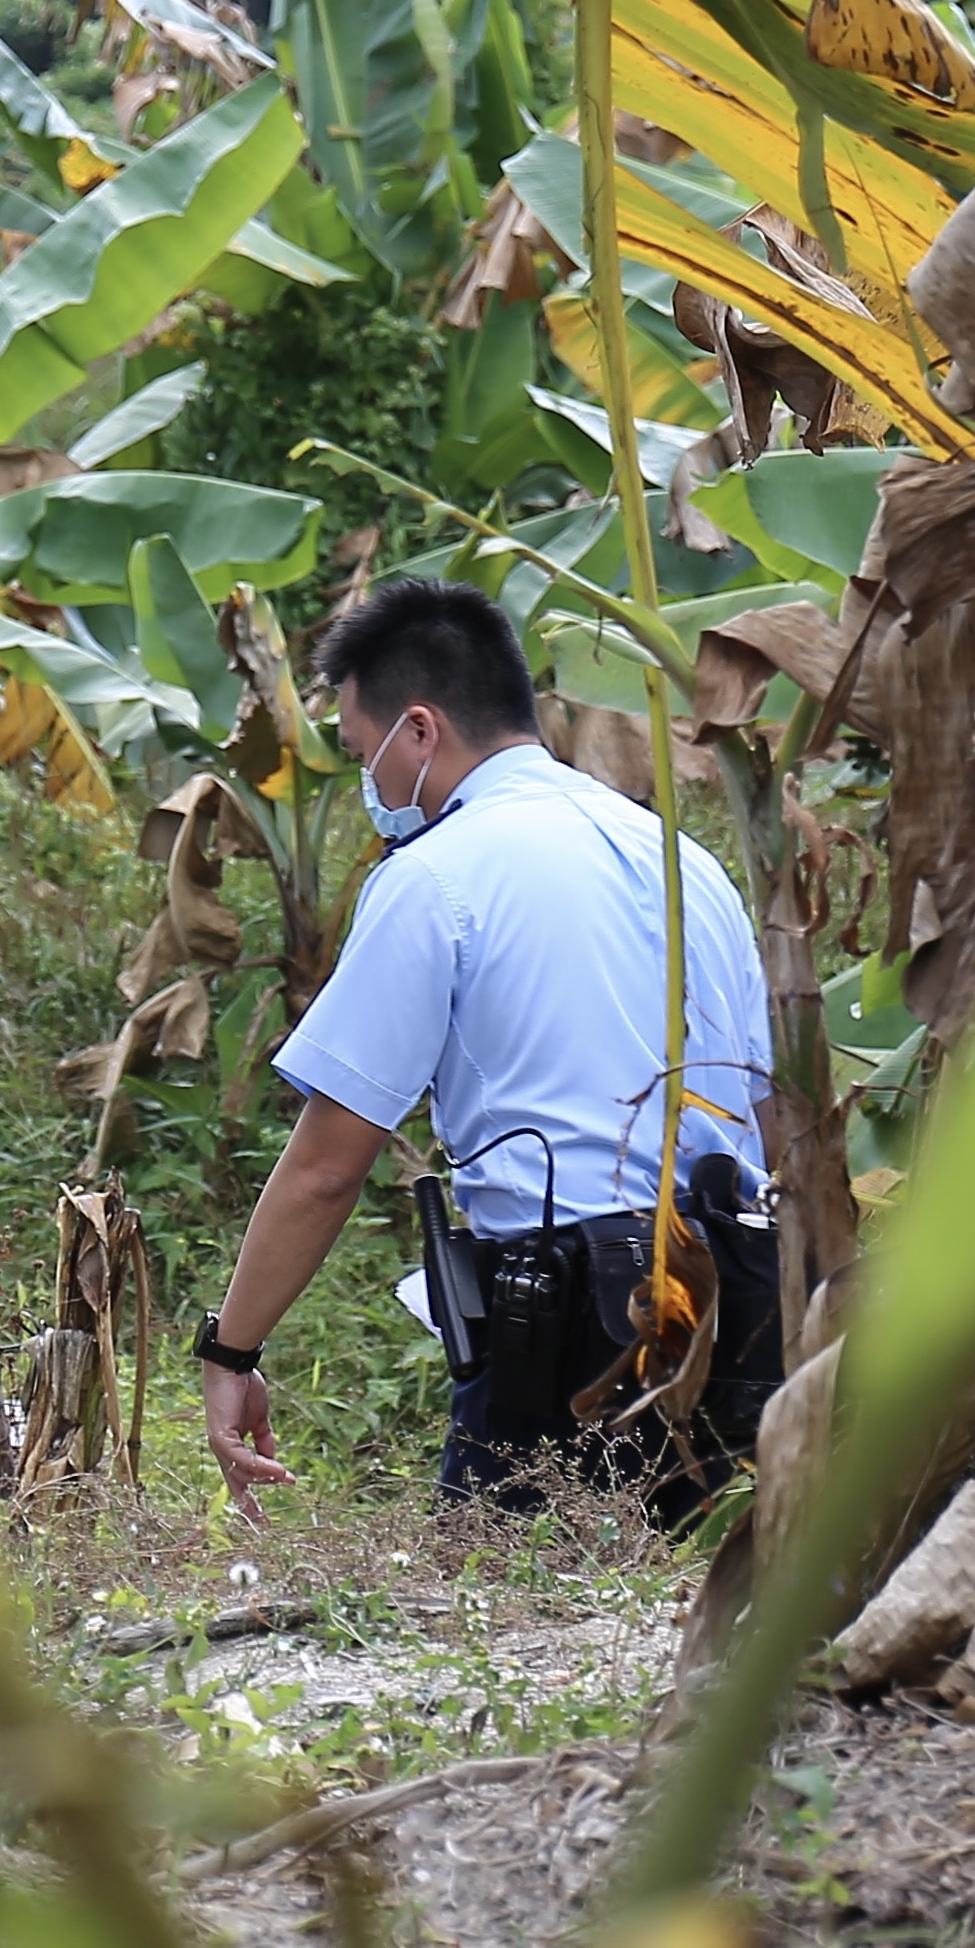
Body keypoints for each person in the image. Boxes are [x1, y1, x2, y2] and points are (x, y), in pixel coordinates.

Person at [198, 574, 784, 1517]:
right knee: (698, 1586)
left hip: (576, 1324)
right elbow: (771, 1115)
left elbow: (326, 1169)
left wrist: (229, 1349)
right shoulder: (683, 858)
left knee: (512, 1584)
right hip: (743, 1307)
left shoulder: (436, 876)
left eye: (363, 752)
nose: (370, 782)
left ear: (418, 731)